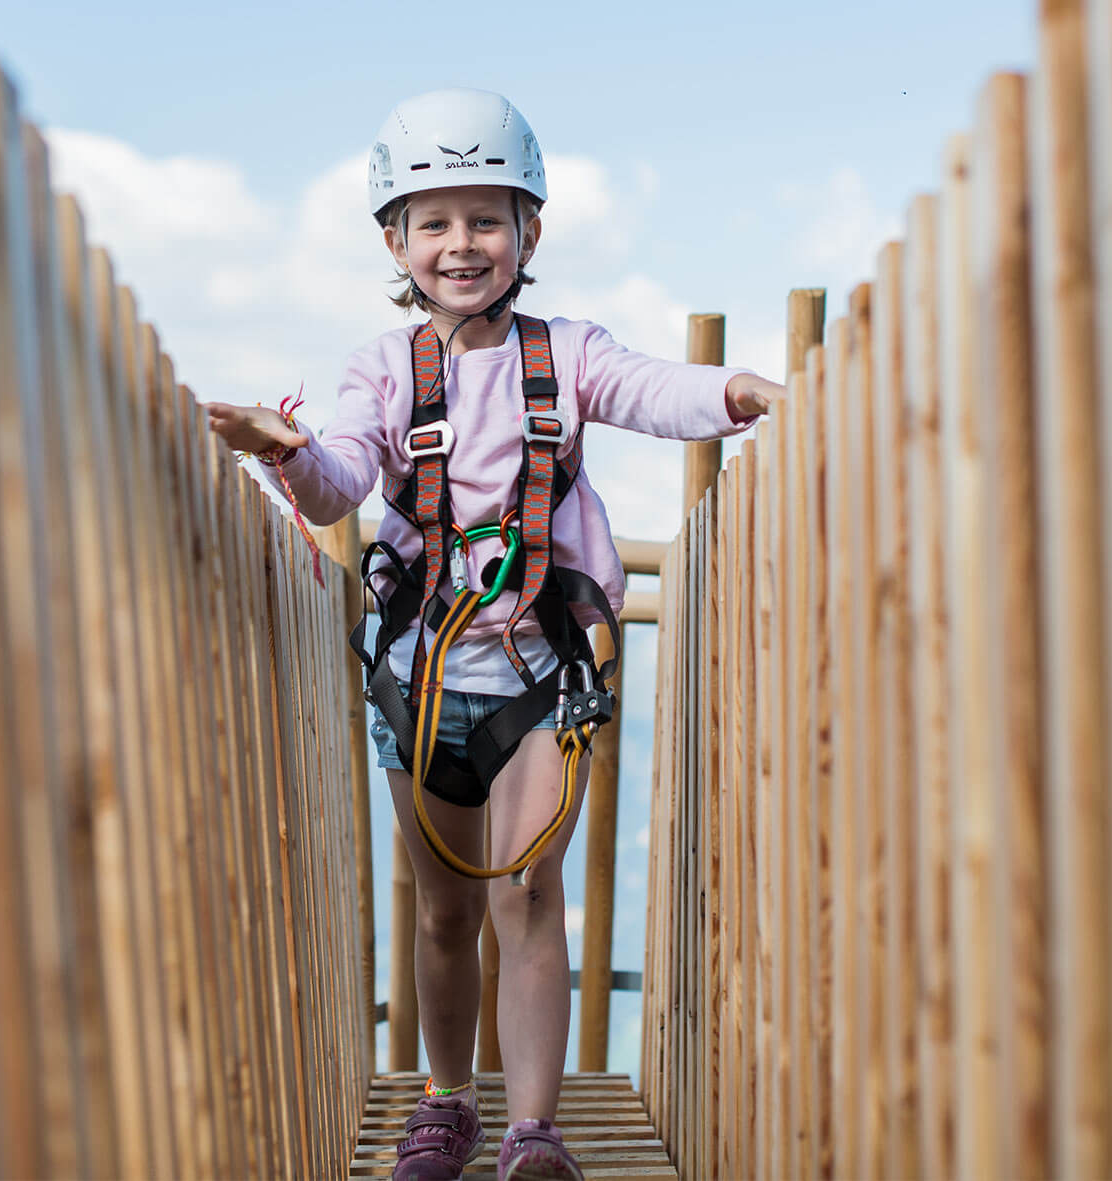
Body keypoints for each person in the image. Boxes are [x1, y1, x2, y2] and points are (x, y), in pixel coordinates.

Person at [206, 87, 783, 1181]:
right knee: (444, 910)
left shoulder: (568, 354)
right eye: (434, 221)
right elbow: (337, 483)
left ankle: (532, 1129)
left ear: (530, 231)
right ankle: (448, 1100)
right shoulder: (382, 371)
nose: (461, 243)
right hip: (422, 679)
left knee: (527, 895)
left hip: (537, 673)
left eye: (486, 218)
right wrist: (283, 447)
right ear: (396, 242)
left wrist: (739, 392)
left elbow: (655, 389)